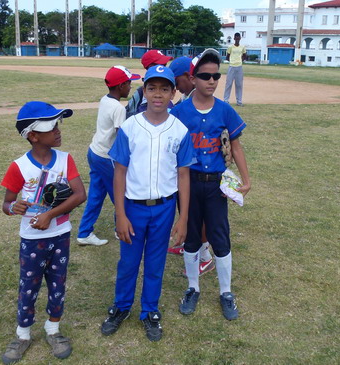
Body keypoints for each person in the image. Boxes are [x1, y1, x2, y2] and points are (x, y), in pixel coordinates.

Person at [101, 65, 193, 342]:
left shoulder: (179, 129)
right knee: (128, 262)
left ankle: (150, 311)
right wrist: (120, 213)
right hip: (133, 207)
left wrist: (183, 218)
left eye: (165, 88)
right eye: (152, 88)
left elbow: (183, 174)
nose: (158, 94)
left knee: (155, 263)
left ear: (173, 93)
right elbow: (119, 171)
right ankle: (121, 306)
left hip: (164, 207)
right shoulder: (130, 127)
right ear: (144, 91)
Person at [0, 101, 87, 364]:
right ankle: (23, 334)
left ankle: (53, 329)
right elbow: (6, 204)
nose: (59, 130)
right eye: (52, 126)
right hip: (32, 239)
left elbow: (80, 194)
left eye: (59, 124)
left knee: (57, 285)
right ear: (33, 135)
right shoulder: (18, 167)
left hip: (60, 235)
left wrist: (50, 215)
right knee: (29, 287)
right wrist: (13, 207)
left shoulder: (65, 159)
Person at [170, 49, 251, 321]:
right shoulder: (179, 112)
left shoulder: (225, 110)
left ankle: (226, 292)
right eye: (205, 76)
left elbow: (236, 147)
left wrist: (246, 179)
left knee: (219, 236)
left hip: (216, 184)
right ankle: (192, 288)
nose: (212, 81)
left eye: (216, 75)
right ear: (193, 79)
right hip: (188, 184)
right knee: (191, 237)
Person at [76, 66, 141, 246]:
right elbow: (122, 137)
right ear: (120, 86)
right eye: (129, 83)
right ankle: (120, 229)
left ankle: (84, 232)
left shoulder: (105, 100)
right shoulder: (118, 109)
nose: (130, 87)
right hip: (106, 157)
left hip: (94, 152)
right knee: (121, 194)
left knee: (96, 195)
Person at [167, 56, 216, 277]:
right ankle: (190, 243)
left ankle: (205, 256)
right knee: (188, 212)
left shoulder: (201, 100)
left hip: (202, 172)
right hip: (186, 171)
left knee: (202, 215)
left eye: (177, 81)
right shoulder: (185, 103)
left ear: (189, 77)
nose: (176, 87)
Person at [125, 49, 173, 118]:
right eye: (161, 64)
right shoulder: (140, 92)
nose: (164, 67)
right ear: (150, 67)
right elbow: (128, 112)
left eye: (164, 65)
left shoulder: (168, 89)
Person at [223, 33, 247, 107]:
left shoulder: (242, 47)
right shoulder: (230, 47)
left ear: (240, 38)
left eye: (238, 37)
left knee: (239, 84)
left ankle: (239, 101)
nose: (237, 39)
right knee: (228, 84)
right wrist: (232, 61)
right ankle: (226, 100)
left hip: (239, 67)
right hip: (232, 66)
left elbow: (245, 55)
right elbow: (227, 56)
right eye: (236, 37)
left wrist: (240, 60)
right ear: (234, 38)